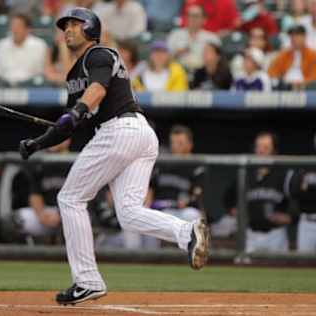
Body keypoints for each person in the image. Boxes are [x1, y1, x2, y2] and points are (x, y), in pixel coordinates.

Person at [19, 7, 209, 305]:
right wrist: (37, 143)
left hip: (119, 130)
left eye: (74, 24)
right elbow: (68, 127)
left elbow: (97, 89)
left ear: (91, 29)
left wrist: (78, 111)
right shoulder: (74, 74)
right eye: (65, 26)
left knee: (69, 198)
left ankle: (87, 281)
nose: (67, 30)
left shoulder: (100, 54)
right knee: (129, 212)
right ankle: (186, 232)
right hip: (138, 135)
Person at [223, 132, 292, 253]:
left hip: (275, 234)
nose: (261, 151)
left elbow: (296, 200)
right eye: (258, 147)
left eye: (266, 148)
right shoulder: (246, 173)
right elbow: (228, 197)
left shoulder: (283, 173)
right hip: (250, 234)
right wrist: (233, 210)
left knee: (279, 270)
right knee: (244, 270)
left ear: (274, 151)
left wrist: (290, 216)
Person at [14, 139, 71, 240]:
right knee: (14, 220)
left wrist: (60, 215)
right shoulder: (41, 163)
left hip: (69, 213)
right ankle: (33, 253)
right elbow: (35, 194)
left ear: (68, 141)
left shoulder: (74, 162)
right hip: (47, 211)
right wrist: (41, 214)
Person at [148, 125, 204, 223]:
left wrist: (187, 201)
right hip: (160, 211)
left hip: (182, 212)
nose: (175, 146)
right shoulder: (162, 163)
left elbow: (197, 194)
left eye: (180, 143)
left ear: (189, 145)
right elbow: (150, 188)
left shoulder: (195, 166)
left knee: (193, 216)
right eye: (173, 143)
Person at [0, 13, 47, 85]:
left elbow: (43, 70)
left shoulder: (39, 45)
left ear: (28, 29)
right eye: (13, 26)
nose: (15, 30)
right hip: (5, 86)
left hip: (32, 86)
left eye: (18, 26)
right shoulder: (2, 44)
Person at [167, 4, 220, 72]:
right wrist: (176, 53)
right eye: (189, 15)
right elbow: (164, 59)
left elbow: (217, 61)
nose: (192, 19)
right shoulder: (175, 35)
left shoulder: (212, 38)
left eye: (196, 16)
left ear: (204, 19)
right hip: (179, 72)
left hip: (203, 73)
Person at [268, 24, 316, 90]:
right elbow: (272, 72)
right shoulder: (284, 54)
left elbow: (314, 76)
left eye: (297, 35)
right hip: (285, 88)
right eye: (292, 36)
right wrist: (282, 82)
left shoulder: (312, 55)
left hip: (306, 89)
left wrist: (301, 83)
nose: (294, 38)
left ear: (304, 37)